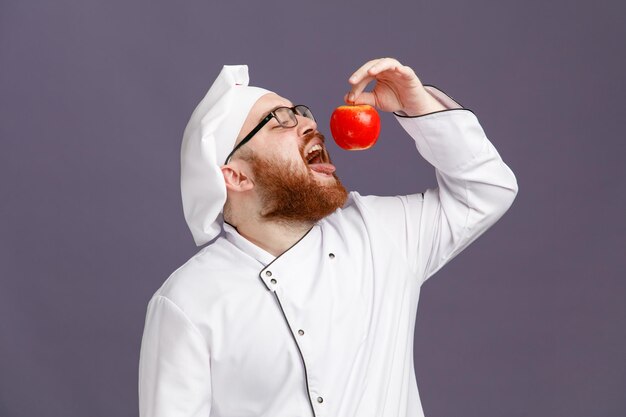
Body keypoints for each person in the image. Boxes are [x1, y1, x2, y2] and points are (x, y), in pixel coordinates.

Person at [138, 57, 518, 417]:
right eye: (279, 121)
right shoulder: (187, 302)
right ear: (236, 176)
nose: (309, 124)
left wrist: (418, 106)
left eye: (302, 113)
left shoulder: (379, 235)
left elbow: (487, 189)